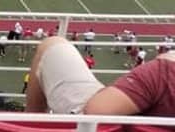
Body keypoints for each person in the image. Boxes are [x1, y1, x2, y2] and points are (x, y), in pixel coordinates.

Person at [26, 36, 175, 117]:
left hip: (98, 118)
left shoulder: (164, 71)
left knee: (52, 43)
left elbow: (95, 111)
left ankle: (31, 124)